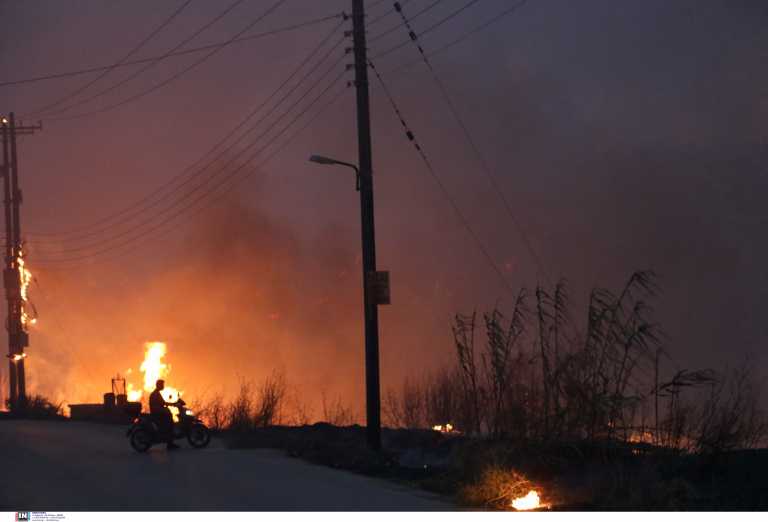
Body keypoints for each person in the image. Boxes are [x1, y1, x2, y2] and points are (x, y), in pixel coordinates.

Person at [149, 379, 180, 450]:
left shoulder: (157, 393)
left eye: (163, 384)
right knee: (169, 423)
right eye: (162, 384)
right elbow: (159, 405)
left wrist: (172, 404)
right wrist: (172, 405)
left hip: (159, 412)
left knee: (169, 418)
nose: (163, 386)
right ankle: (169, 443)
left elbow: (162, 403)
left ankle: (169, 441)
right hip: (157, 414)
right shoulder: (155, 394)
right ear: (158, 385)